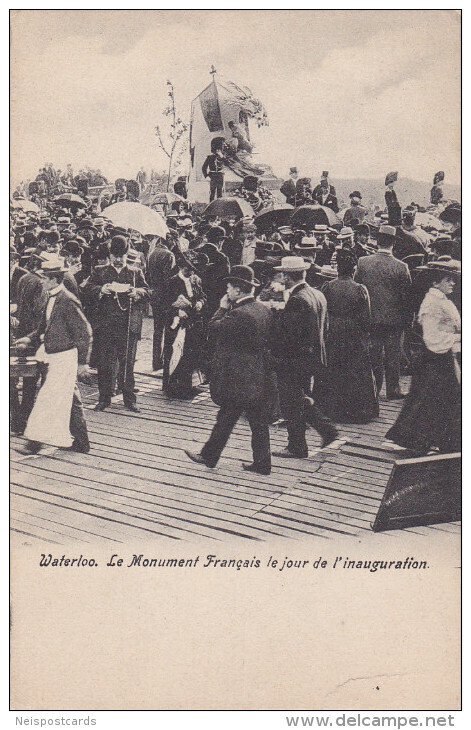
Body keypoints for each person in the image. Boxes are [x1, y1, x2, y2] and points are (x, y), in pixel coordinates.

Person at [184, 265, 275, 475]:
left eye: (229, 288)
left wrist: (222, 307)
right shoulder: (263, 310)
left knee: (227, 416)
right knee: (257, 421)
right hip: (258, 373)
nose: (226, 291)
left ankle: (209, 455)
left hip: (238, 375)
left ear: (238, 290)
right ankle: (262, 463)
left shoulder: (239, 314)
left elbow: (214, 328)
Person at [15, 255, 92, 456]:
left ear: (55, 280)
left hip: (64, 357)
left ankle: (35, 442)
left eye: (46, 278)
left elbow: (84, 332)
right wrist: (29, 339)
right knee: (71, 399)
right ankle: (82, 442)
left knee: (46, 398)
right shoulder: (51, 298)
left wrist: (82, 363)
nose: (42, 280)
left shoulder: (67, 300)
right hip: (53, 355)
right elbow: (44, 327)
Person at [384, 260, 460, 454]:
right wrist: (458, 337)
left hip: (441, 358)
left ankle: (441, 440)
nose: (452, 283)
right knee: (431, 399)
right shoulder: (433, 303)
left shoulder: (440, 300)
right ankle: (424, 440)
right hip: (435, 359)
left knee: (436, 399)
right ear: (436, 282)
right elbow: (431, 338)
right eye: (448, 280)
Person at [271, 256, 338, 458]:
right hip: (313, 356)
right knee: (300, 398)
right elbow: (323, 327)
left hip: (294, 360)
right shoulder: (316, 294)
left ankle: (297, 446)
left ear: (286, 276)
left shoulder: (297, 300)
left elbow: (290, 337)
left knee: (291, 402)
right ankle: (326, 430)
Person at [85, 235, 149, 413]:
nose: (119, 260)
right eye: (115, 256)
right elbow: (87, 289)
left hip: (128, 326)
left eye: (122, 256)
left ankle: (129, 399)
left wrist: (136, 292)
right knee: (105, 363)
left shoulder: (135, 272)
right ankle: (104, 398)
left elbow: (148, 291)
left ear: (127, 254)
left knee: (127, 363)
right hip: (106, 325)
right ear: (110, 255)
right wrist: (101, 289)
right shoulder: (99, 271)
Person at [320, 249, 378, 423]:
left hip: (333, 332)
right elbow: (366, 317)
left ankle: (330, 409)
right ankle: (355, 411)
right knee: (355, 371)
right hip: (353, 333)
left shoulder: (327, 286)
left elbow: (323, 310)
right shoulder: (360, 289)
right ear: (353, 270)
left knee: (332, 369)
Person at [354, 225, 412, 399]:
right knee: (393, 355)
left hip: (371, 318)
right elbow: (407, 297)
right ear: (393, 244)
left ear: (377, 241)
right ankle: (393, 390)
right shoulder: (401, 267)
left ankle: (374, 388)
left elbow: (358, 289)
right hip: (394, 321)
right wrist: (408, 320)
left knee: (374, 354)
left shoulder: (363, 262)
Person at [162, 252, 207, 399]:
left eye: (193, 270)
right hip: (176, 324)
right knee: (174, 352)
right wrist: (177, 310)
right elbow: (163, 303)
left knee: (190, 354)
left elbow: (202, 296)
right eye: (188, 270)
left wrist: (200, 302)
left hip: (193, 322)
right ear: (181, 267)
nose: (191, 273)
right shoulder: (171, 282)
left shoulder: (196, 280)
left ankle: (187, 386)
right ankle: (171, 386)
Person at [147, 235, 176, 371]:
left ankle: (155, 361)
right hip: (165, 296)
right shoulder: (168, 255)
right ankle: (165, 362)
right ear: (168, 240)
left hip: (154, 294)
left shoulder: (152, 253)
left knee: (157, 330)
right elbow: (168, 279)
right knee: (169, 329)